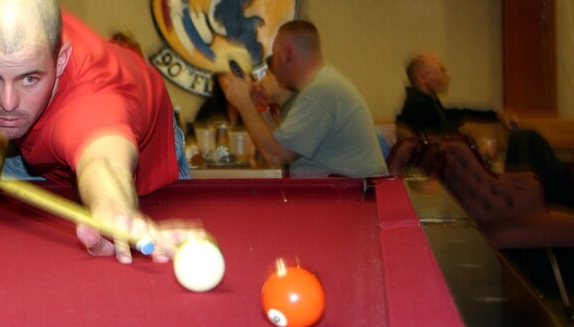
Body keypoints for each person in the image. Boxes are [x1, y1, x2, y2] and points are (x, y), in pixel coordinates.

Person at [0, 0, 190, 264]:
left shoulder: (93, 102)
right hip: (31, 143)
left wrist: (118, 216)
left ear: (59, 61)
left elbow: (103, 162)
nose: (8, 103)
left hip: (140, 147)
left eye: (29, 78)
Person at [399, 52, 573, 207]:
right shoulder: (417, 108)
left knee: (529, 142)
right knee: (527, 139)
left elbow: (459, 113)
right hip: (471, 185)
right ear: (423, 77)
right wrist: (477, 150)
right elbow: (439, 147)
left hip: (473, 178)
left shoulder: (425, 104)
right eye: (441, 70)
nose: (447, 76)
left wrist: (497, 115)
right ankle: (561, 199)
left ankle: (560, 198)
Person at [219, 20, 387, 178]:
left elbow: (276, 156)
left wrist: (244, 104)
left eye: (275, 55)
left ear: (286, 54)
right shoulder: (322, 85)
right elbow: (277, 144)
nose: (273, 63)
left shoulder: (321, 92)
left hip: (347, 201)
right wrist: (257, 108)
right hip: (340, 197)